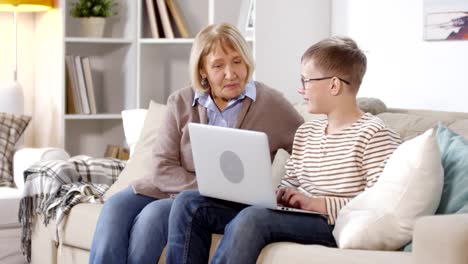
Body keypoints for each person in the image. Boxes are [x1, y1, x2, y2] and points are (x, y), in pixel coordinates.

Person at [165, 36, 402, 264]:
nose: (301, 90)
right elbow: (291, 183)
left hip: (331, 223)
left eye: (306, 81)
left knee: (253, 218)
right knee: (190, 203)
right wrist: (278, 193)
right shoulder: (307, 132)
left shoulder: (374, 134)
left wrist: (315, 204)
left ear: (334, 84)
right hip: (298, 216)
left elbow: (378, 206)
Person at [88, 23, 303, 264]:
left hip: (207, 205)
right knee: (114, 208)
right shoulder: (180, 101)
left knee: (151, 218)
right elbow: (162, 167)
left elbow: (308, 142)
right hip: (162, 188)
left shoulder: (271, 103)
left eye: (237, 61)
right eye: (218, 65)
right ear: (202, 70)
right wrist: (206, 185)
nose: (230, 74)